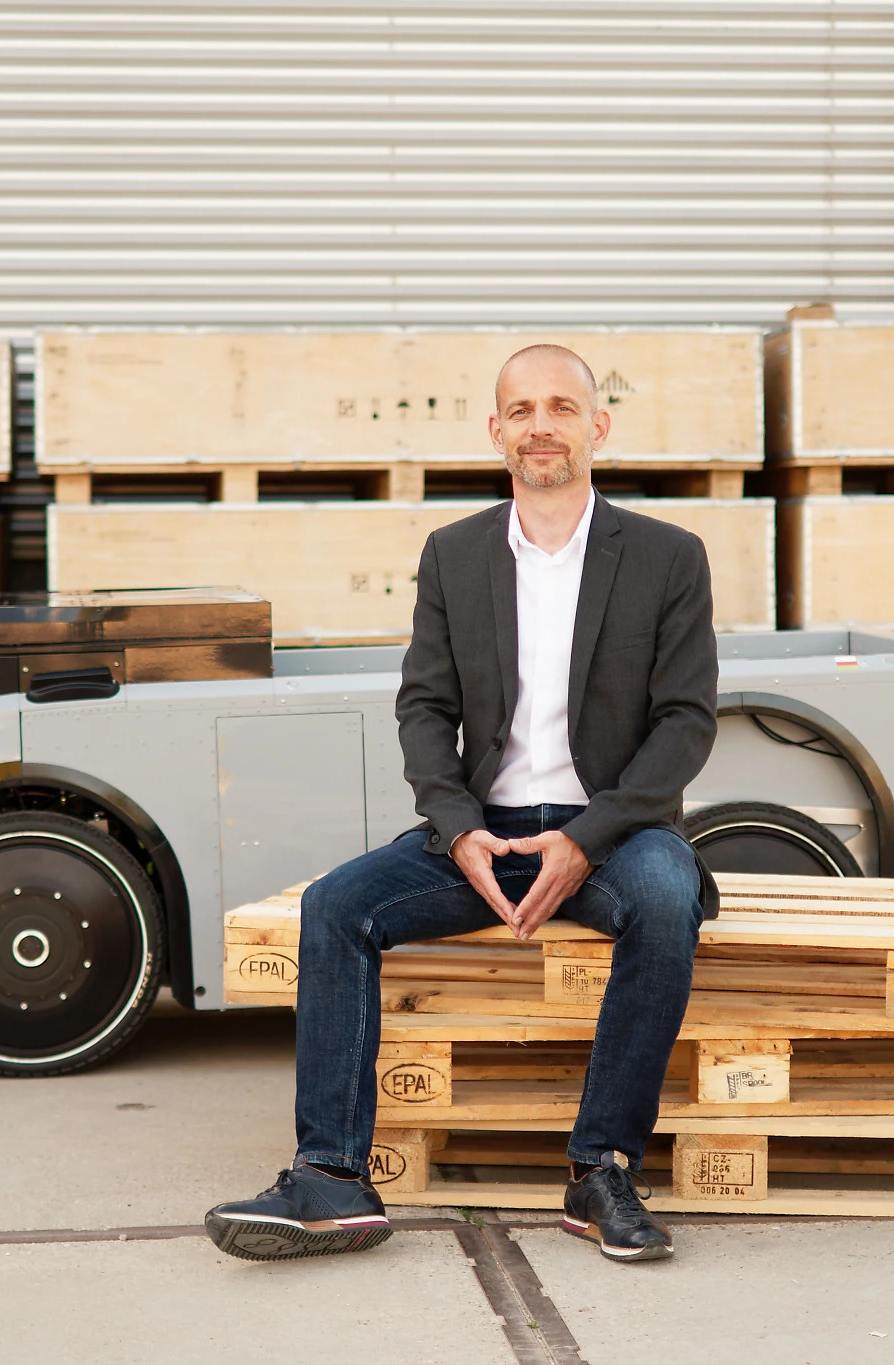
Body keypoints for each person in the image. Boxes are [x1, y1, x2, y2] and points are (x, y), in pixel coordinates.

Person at [205, 343, 718, 1265]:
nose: (541, 426)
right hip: (481, 829)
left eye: (562, 407)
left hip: (616, 830)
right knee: (336, 906)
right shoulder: (455, 555)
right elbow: (425, 707)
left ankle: (599, 1168)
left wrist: (587, 839)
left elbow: (685, 723)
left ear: (596, 427)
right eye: (521, 410)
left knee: (665, 899)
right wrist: (456, 828)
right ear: (496, 432)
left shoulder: (668, 558)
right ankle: (330, 1173)